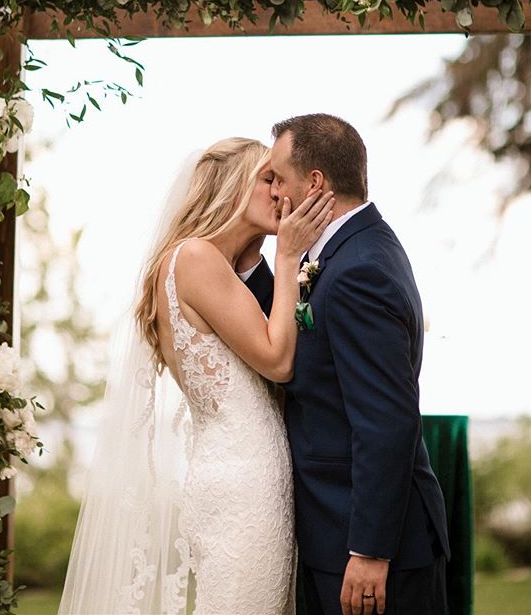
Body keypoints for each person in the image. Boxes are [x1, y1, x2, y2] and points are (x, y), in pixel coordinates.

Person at [58, 137, 334, 615]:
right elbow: (278, 360)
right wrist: (289, 259)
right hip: (243, 487)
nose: (279, 193)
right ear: (229, 189)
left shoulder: (205, 263)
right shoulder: (196, 259)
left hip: (236, 476)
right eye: (267, 179)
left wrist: (259, 259)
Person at [241, 114, 450, 615]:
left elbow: (386, 421)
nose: (272, 193)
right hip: (334, 531)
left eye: (278, 179)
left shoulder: (360, 271)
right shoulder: (348, 254)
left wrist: (369, 550)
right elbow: (304, 332)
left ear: (314, 184)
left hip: (369, 550)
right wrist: (251, 253)